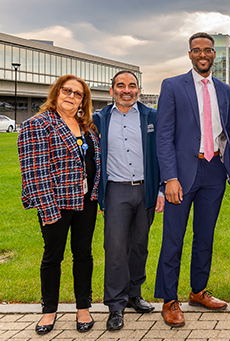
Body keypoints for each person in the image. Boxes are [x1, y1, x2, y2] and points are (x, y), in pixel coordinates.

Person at [154, 32, 230, 327]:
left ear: (215, 55)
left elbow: (229, 131)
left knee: (205, 236)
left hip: (214, 171)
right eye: (197, 50)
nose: (203, 54)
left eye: (208, 50)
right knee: (173, 239)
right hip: (182, 173)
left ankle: (198, 291)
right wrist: (170, 178)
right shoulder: (173, 86)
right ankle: (169, 299)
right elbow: (163, 137)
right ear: (189, 54)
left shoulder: (224, 90)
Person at [18, 75, 100, 334]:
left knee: (83, 254)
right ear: (56, 93)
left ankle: (83, 308)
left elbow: (94, 163)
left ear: (83, 100)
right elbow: (34, 172)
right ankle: (48, 311)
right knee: (53, 257)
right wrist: (48, 209)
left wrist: (95, 195)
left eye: (78, 94)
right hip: (56, 204)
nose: (72, 96)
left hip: (86, 202)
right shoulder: (38, 124)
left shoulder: (86, 125)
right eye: (67, 91)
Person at [93, 70, 165, 331]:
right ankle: (115, 305)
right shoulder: (99, 119)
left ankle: (134, 294)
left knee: (139, 245)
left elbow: (163, 153)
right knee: (115, 249)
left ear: (138, 89)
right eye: (120, 86)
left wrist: (160, 190)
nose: (127, 90)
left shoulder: (152, 117)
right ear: (112, 90)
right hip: (116, 190)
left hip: (145, 189)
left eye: (132, 86)